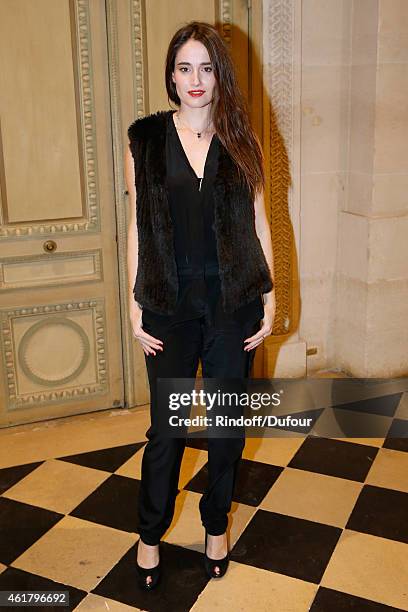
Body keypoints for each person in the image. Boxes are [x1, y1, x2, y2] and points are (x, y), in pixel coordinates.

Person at [125, 21, 275, 590]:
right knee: (166, 431)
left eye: (206, 67)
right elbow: (138, 227)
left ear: (220, 75)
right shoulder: (144, 138)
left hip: (232, 304)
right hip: (167, 306)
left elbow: (261, 222)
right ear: (170, 74)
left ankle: (216, 528)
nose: (195, 79)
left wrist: (272, 293)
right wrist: (134, 304)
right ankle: (149, 534)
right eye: (184, 67)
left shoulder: (244, 140)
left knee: (226, 430)